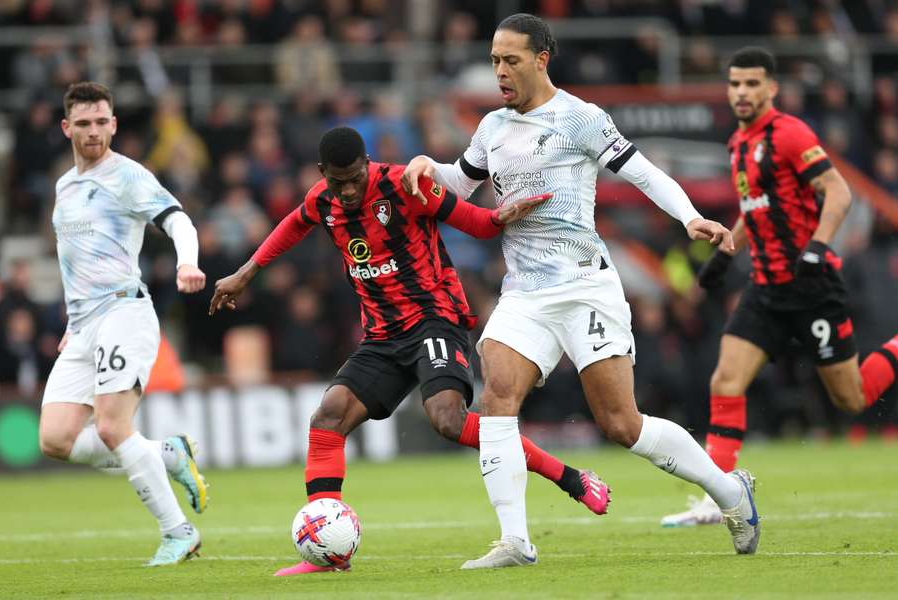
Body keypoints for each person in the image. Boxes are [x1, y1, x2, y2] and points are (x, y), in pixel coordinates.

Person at [401, 13, 760, 569]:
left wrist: (689, 217)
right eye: (495, 59)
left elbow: (643, 173)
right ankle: (515, 541)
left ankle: (729, 490)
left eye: (511, 60)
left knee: (621, 424)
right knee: (496, 398)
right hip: (523, 293)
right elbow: (462, 182)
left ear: (541, 59)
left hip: (585, 286)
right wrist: (429, 166)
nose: (500, 71)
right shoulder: (491, 127)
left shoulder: (579, 118)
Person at [209, 126, 612, 576]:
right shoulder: (322, 201)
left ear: (367, 164)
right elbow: (293, 225)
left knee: (447, 419)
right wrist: (246, 273)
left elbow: (474, 223)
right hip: (382, 336)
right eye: (337, 181)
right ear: (323, 174)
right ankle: (328, 550)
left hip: (434, 319)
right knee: (328, 416)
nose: (348, 189)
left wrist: (499, 217)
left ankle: (570, 477)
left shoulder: (405, 185)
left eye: (355, 177)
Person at [661, 47, 898, 527]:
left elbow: (839, 191)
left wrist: (819, 247)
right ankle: (720, 497)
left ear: (771, 88)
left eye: (752, 84)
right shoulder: (737, 144)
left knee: (852, 399)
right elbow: (756, 210)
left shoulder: (790, 134)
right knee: (725, 380)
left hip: (811, 287)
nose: (742, 92)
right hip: (765, 289)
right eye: (735, 84)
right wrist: (726, 253)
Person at [38, 82, 209, 567]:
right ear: (67, 127)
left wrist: (186, 264)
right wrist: (73, 322)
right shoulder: (63, 185)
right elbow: (75, 261)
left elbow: (178, 220)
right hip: (83, 325)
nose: (93, 131)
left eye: (102, 122)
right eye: (84, 123)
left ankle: (179, 532)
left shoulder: (129, 176)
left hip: (123, 311)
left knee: (113, 428)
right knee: (55, 440)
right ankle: (166, 454)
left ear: (113, 124)